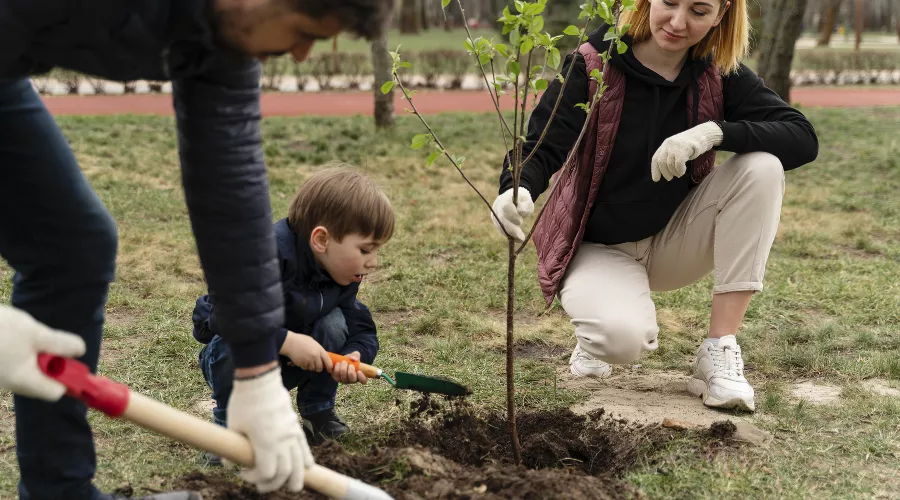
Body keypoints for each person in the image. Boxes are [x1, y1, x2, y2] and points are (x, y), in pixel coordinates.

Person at [0, 0, 394, 498]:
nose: (299, 54)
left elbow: (230, 189)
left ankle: (59, 492)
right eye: (303, 31)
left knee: (75, 246)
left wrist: (256, 369)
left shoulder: (226, 40)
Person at [491, 0, 818, 412]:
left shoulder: (719, 73)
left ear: (721, 15)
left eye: (699, 11)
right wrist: (515, 188)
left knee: (763, 167)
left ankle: (718, 350)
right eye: (669, 3)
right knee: (620, 341)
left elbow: (802, 137)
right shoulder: (593, 65)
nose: (678, 22)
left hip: (675, 243)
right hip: (599, 247)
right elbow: (540, 148)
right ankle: (598, 329)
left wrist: (714, 132)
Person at [192, 166, 393, 461]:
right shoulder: (264, 257)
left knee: (335, 324)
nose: (372, 262)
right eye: (365, 250)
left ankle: (318, 414)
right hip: (237, 358)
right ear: (321, 240)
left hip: (289, 362)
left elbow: (359, 326)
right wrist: (287, 341)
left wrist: (354, 355)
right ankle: (229, 432)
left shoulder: (341, 275)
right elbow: (228, 318)